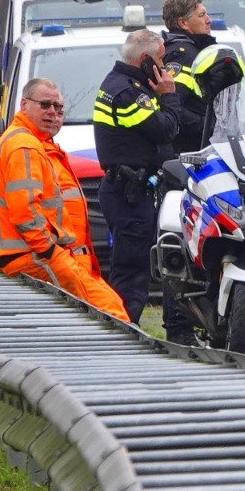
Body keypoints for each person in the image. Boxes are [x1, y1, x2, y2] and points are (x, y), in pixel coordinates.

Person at [0, 78, 128, 320]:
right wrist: (49, 251)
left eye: (59, 108)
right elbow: (24, 210)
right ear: (24, 105)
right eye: (45, 105)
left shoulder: (31, 143)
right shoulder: (24, 146)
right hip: (35, 256)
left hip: (41, 255)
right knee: (112, 316)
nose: (53, 113)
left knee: (105, 312)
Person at [92, 27, 182, 327]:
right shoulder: (129, 92)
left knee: (132, 266)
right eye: (161, 59)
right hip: (128, 193)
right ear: (145, 60)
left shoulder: (125, 84)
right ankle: (123, 331)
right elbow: (165, 130)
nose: (164, 66)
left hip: (128, 189)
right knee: (131, 271)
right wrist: (169, 96)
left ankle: (122, 327)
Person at [161, 0, 245, 154]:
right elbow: (173, 105)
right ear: (183, 23)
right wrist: (210, 125)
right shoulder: (182, 55)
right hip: (191, 150)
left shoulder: (193, 50)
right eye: (202, 15)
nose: (209, 20)